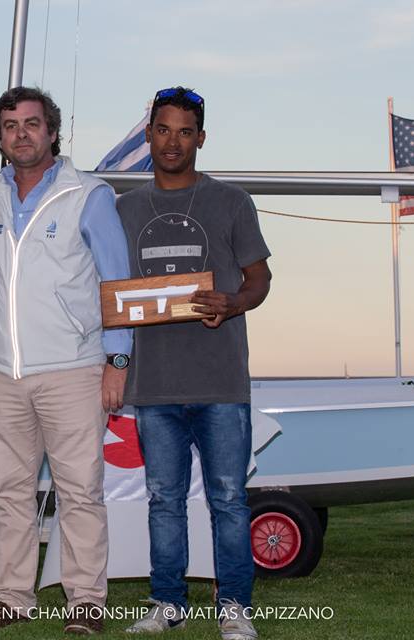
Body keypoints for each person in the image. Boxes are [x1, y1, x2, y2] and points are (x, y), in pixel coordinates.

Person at [0, 86, 132, 636]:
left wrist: (118, 358)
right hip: (1, 373)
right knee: (8, 494)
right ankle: (11, 597)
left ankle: (86, 600)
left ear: (52, 131)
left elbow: (116, 280)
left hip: (73, 369)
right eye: (10, 126)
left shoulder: (89, 194)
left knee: (79, 491)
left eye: (32, 124)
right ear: (0, 137)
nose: (21, 134)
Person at [117, 87, 271, 639]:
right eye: (163, 130)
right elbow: (108, 290)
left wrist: (233, 303)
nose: (173, 142)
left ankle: (235, 608)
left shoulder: (231, 201)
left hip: (220, 383)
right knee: (164, 501)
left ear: (201, 138)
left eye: (185, 132)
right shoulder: (124, 209)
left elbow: (260, 280)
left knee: (229, 500)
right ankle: (167, 603)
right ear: (148, 135)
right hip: (153, 384)